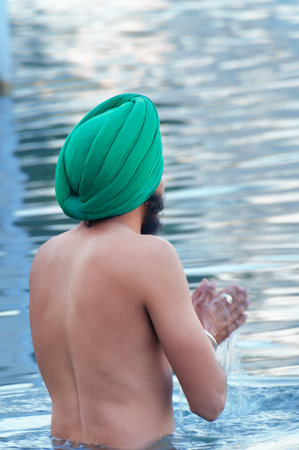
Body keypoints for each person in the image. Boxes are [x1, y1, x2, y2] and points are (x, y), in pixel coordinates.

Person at [29, 94, 249, 450]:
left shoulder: (46, 259)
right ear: (144, 177)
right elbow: (210, 402)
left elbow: (115, 365)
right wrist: (206, 334)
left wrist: (179, 338)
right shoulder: (151, 257)